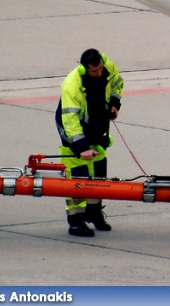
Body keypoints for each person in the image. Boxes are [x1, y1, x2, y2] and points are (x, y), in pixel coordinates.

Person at [55, 48, 123, 237]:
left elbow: (117, 83)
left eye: (101, 68)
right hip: (74, 132)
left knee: (98, 172)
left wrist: (114, 104)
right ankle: (76, 220)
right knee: (78, 176)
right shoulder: (71, 85)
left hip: (97, 127)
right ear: (85, 69)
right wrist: (81, 147)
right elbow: (70, 120)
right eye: (95, 71)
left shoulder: (107, 68)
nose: (100, 73)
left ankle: (94, 213)